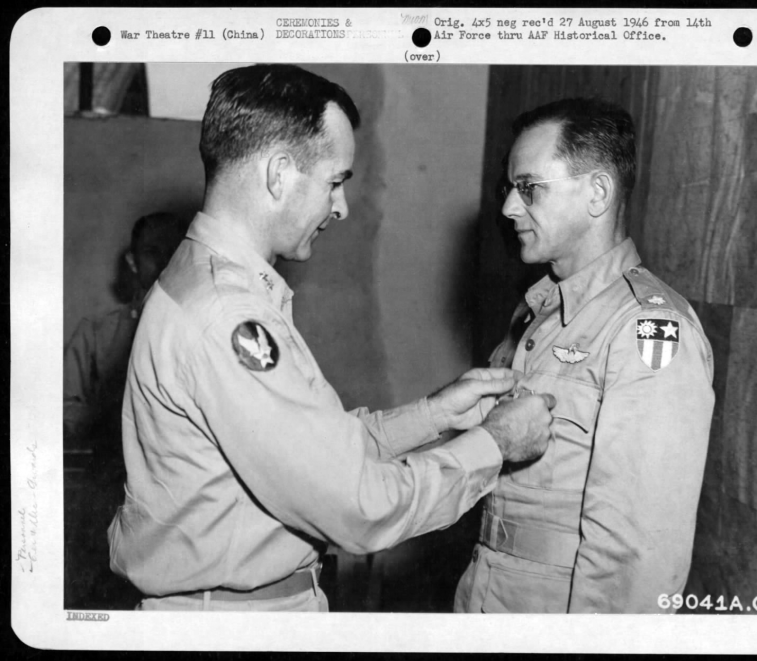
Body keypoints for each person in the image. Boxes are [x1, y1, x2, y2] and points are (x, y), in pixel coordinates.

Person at [107, 64, 556, 612]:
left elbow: (312, 453)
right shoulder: (227, 315)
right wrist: (495, 444)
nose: (341, 206)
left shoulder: (212, 285)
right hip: (237, 618)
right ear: (278, 174)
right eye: (335, 181)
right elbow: (358, 508)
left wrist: (435, 416)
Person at [453, 98, 715, 614]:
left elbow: (638, 559)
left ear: (597, 192)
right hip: (488, 598)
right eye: (509, 188)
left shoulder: (647, 329)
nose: (508, 207)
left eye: (528, 188)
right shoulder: (539, 311)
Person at [63, 211, 184, 608]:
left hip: (177, 502)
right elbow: (65, 409)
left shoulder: (197, 332)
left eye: (173, 251)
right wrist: (113, 419)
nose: (164, 261)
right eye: (152, 252)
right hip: (108, 493)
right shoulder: (98, 333)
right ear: (132, 262)